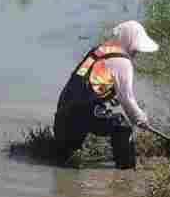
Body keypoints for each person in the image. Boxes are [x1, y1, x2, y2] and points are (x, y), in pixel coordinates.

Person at [53, 19, 159, 169]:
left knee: (63, 165)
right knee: (122, 126)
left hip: (62, 118)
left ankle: (60, 153)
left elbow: (85, 84)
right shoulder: (122, 62)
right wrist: (141, 119)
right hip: (80, 116)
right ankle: (126, 174)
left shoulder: (98, 51)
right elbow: (127, 99)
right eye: (135, 49)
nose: (136, 53)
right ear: (128, 41)